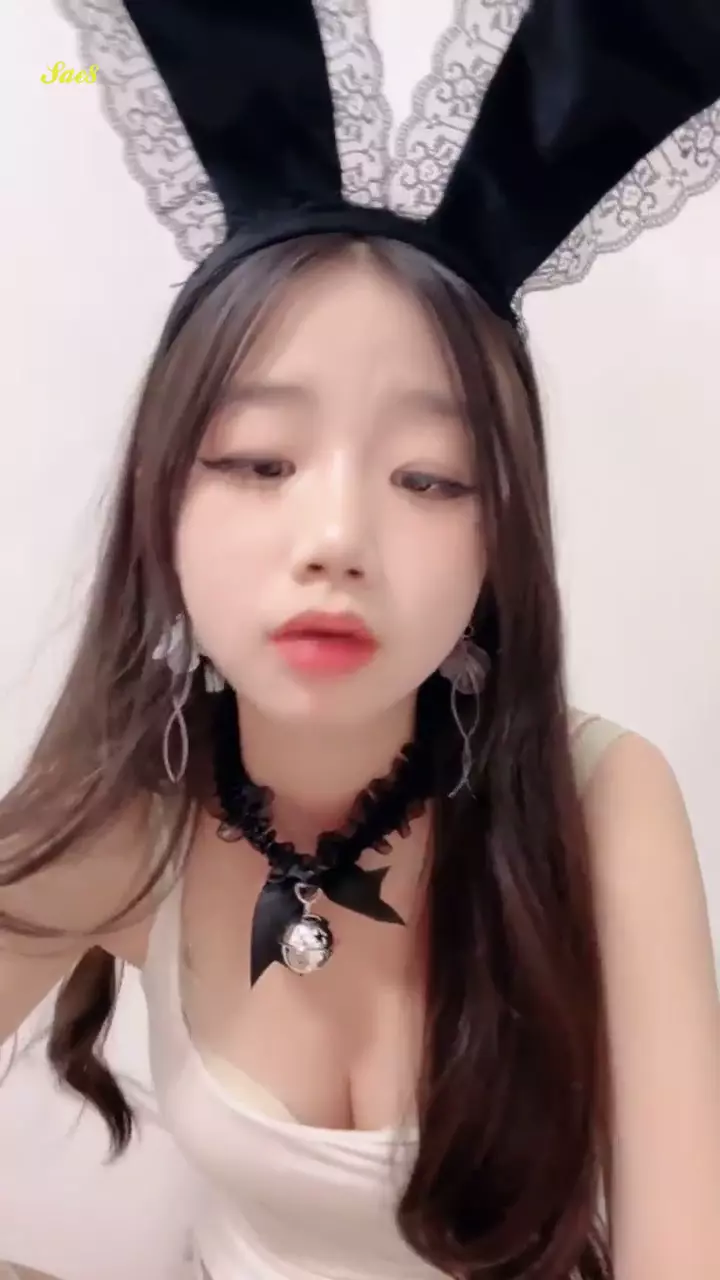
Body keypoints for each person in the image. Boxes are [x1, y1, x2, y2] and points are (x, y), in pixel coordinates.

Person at [2, 2, 719, 1278]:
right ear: (161, 502)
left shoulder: (599, 803)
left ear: (503, 537)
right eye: (258, 459)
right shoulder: (130, 812)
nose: (336, 537)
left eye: (429, 478)